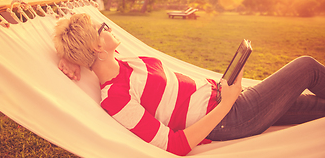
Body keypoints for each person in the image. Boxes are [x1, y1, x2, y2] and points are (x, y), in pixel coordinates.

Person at [53, 13, 325, 156]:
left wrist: (70, 58)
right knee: (307, 67)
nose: (109, 28)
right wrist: (228, 102)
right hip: (230, 117)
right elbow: (175, 145)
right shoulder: (116, 99)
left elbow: (78, 43)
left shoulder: (122, 62)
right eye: (103, 29)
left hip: (225, 99)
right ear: (97, 46)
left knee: (317, 108)